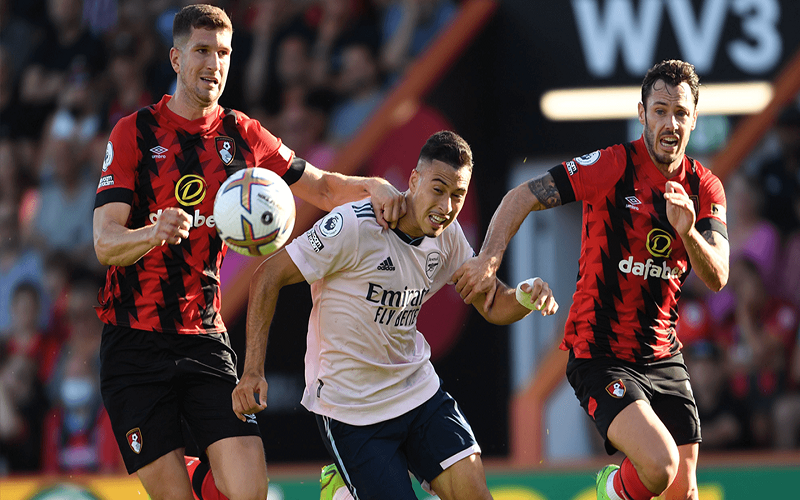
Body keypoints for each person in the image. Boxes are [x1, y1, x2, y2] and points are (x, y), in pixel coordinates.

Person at [92, 5, 405, 500]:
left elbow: (322, 188)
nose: (213, 64)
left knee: (250, 492)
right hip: (134, 345)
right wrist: (152, 233)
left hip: (204, 338)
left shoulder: (242, 133)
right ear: (175, 59)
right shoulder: (134, 132)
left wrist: (374, 186)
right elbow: (105, 242)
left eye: (223, 53)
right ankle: (185, 472)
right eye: (201, 51)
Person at [452, 60, 730, 500]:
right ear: (642, 114)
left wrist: (688, 232)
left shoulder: (705, 187)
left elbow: (718, 276)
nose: (670, 123)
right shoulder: (613, 165)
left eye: (680, 113)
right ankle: (609, 490)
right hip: (600, 353)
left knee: (684, 492)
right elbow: (522, 195)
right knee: (659, 465)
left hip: (662, 354)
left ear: (695, 118)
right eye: (660, 111)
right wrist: (489, 258)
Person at [231, 130, 559, 500]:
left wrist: (526, 296)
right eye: (438, 189)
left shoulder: (448, 237)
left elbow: (493, 302)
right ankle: (343, 490)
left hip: (416, 391)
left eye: (458, 195)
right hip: (350, 408)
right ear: (414, 180)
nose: (446, 206)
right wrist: (252, 370)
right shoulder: (355, 226)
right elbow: (267, 275)